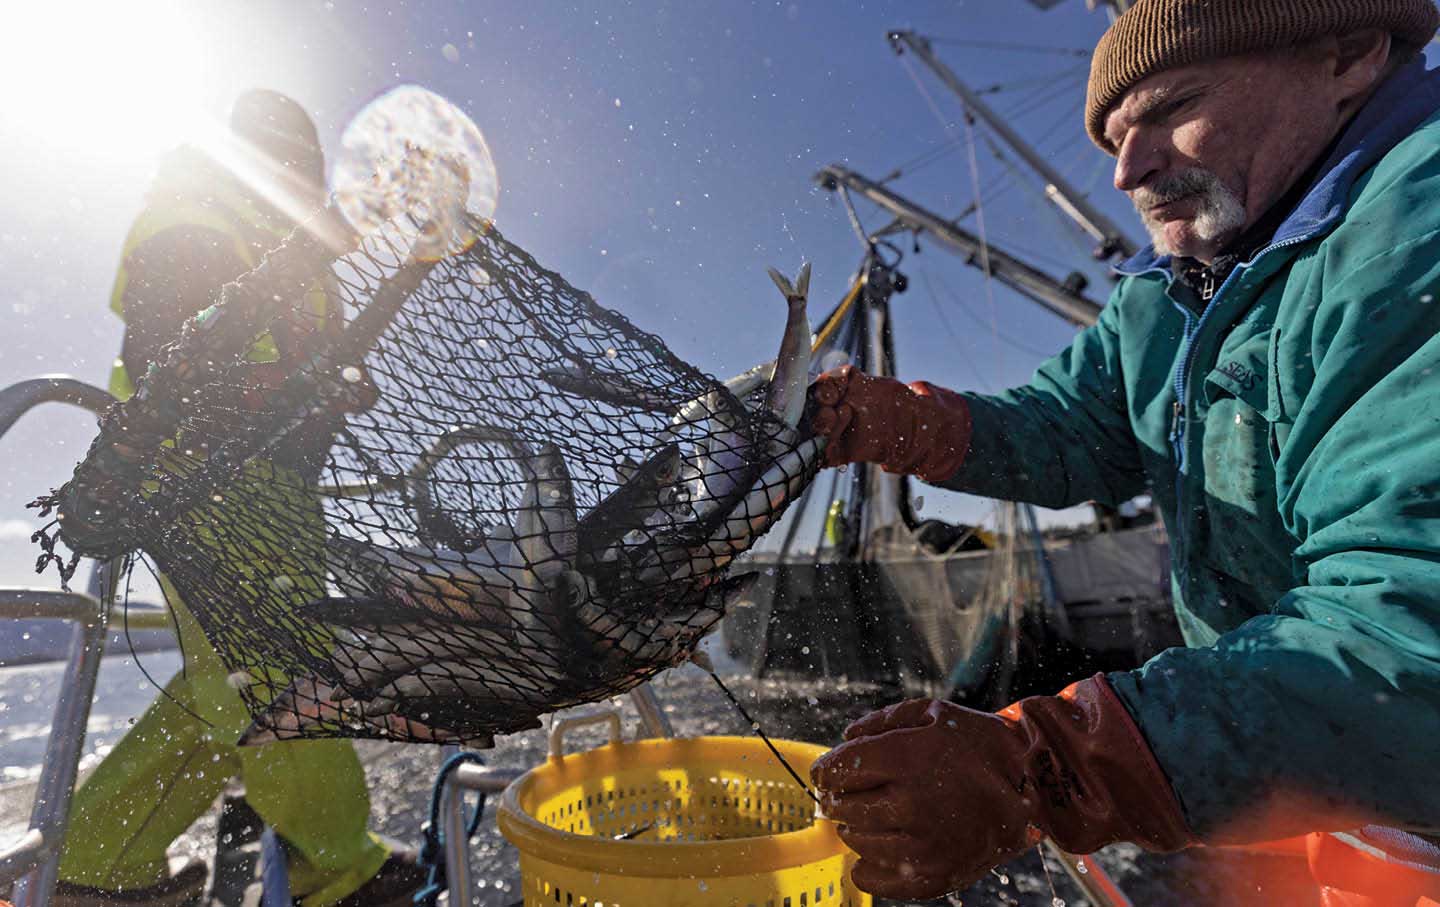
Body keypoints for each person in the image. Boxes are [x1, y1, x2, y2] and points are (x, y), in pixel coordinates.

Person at [808, 2, 1440, 905]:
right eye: (1113, 134)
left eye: (1173, 105)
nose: (1127, 170)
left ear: (1347, 54)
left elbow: (1408, 632)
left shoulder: (1416, 227)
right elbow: (1070, 425)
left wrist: (1041, 768)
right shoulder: (1172, 288)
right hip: (1345, 790)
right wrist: (904, 423)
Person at [54, 91, 423, 907]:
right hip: (199, 485)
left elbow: (297, 384)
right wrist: (284, 391)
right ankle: (340, 869)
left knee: (229, 678)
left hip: (277, 495)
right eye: (291, 159)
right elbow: (167, 365)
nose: (305, 177)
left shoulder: (292, 253)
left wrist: (329, 396)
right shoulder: (199, 219)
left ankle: (93, 860)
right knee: (271, 669)